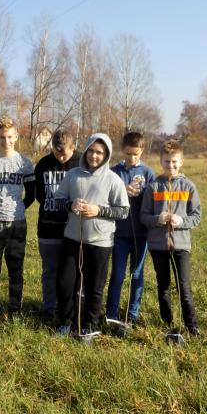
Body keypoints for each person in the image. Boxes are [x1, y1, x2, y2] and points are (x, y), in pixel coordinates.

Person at [53, 133, 129, 338]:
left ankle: (89, 325)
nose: (94, 156)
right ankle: (66, 322)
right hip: (72, 239)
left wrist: (98, 210)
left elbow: (123, 211)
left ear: (106, 155)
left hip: (100, 242)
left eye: (99, 153)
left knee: (95, 287)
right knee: (65, 283)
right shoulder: (72, 175)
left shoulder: (113, 180)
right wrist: (70, 205)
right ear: (86, 151)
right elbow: (57, 201)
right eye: (91, 151)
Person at [140, 140, 202, 338]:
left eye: (174, 162)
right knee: (163, 286)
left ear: (181, 162)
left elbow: (197, 216)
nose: (171, 165)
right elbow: (143, 216)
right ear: (161, 161)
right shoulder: (153, 187)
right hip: (158, 246)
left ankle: (192, 326)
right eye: (167, 161)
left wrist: (181, 221)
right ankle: (168, 323)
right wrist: (158, 219)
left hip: (181, 245)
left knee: (184, 287)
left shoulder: (189, 186)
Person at [0, 117, 36, 318]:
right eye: (2, 137)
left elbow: (32, 194)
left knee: (16, 270)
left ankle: (15, 310)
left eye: (10, 137)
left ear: (16, 136)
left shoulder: (24, 163)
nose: (6, 141)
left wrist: (17, 209)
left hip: (16, 223)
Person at [105, 131, 156, 326]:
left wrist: (142, 195)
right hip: (118, 233)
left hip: (141, 235)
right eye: (128, 154)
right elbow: (106, 198)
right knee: (117, 275)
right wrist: (122, 192)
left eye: (135, 154)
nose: (132, 158)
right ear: (122, 150)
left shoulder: (148, 173)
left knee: (137, 275)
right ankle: (111, 314)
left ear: (142, 150)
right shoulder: (113, 172)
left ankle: (132, 315)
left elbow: (153, 203)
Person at [33, 129, 79, 318]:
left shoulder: (81, 163)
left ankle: (70, 309)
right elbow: (39, 195)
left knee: (73, 272)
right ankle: (49, 308)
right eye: (56, 152)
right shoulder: (43, 164)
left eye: (64, 154)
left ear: (73, 147)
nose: (60, 158)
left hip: (74, 228)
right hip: (48, 226)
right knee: (50, 270)